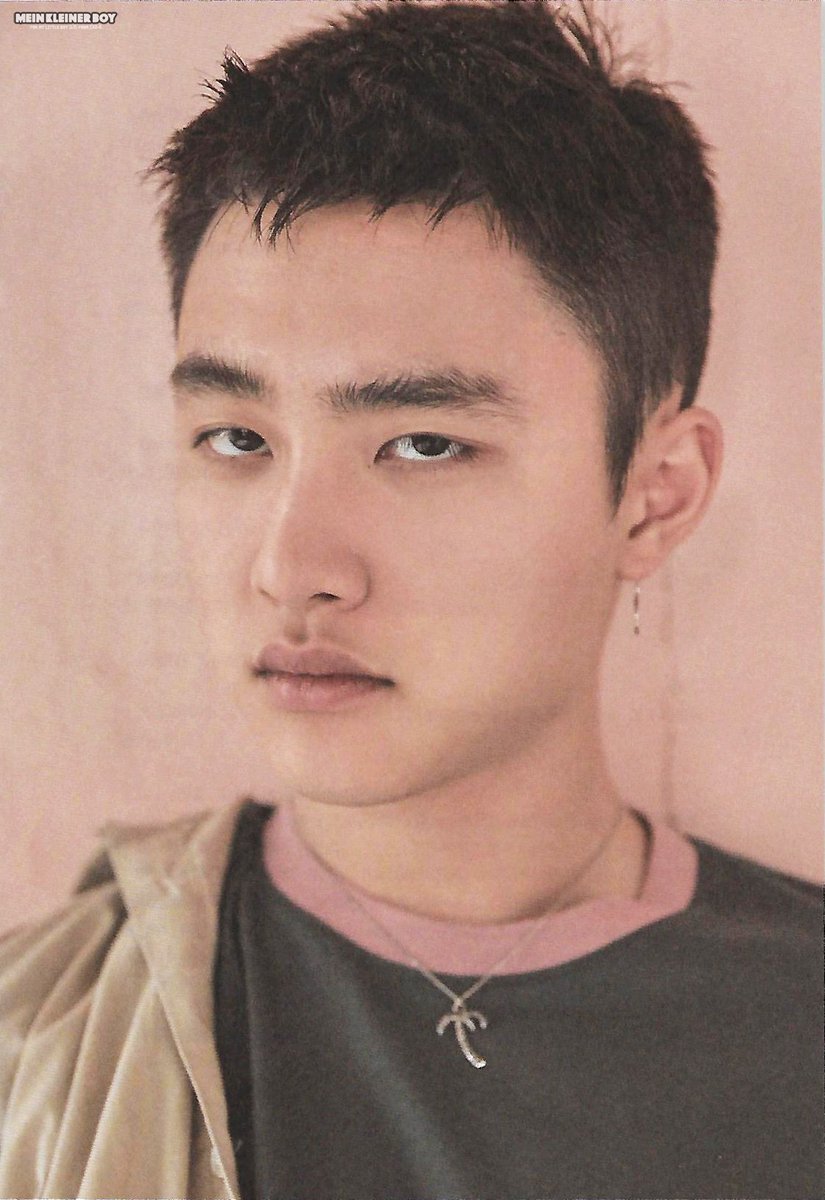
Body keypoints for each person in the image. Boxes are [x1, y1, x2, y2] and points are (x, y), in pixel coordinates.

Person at [0, 3, 820, 1198]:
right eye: (236, 437)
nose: (292, 566)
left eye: (424, 444)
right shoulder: (39, 1056)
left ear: (655, 496)